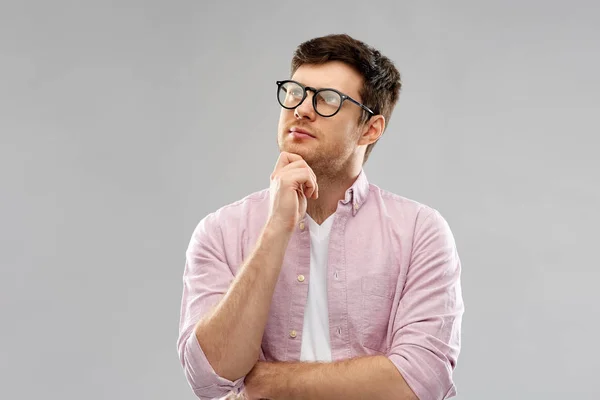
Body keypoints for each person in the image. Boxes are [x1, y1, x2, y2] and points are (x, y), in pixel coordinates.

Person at [177, 33, 464, 400]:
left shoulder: (420, 231)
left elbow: (421, 379)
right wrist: (277, 228)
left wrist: (264, 383)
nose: (301, 109)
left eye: (327, 100)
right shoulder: (220, 232)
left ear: (370, 129)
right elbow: (211, 376)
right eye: (295, 92)